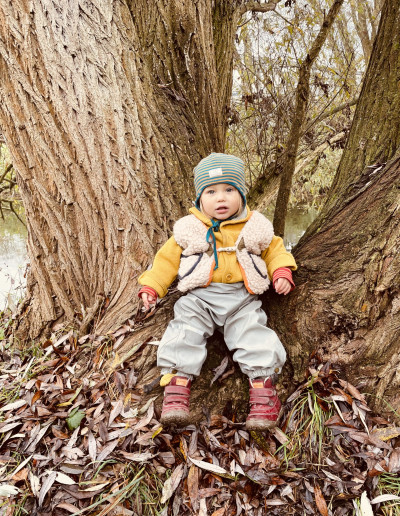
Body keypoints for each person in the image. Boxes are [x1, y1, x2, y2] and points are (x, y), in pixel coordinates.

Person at [138, 153, 297, 431]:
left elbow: (275, 250)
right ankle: (176, 391)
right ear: (200, 198)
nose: (220, 198)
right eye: (211, 192)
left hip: (242, 298)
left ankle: (263, 394)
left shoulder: (254, 225)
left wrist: (281, 272)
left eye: (229, 190)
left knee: (254, 336)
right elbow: (165, 261)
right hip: (199, 298)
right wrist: (152, 286)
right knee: (183, 329)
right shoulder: (189, 229)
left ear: (242, 195)